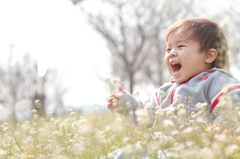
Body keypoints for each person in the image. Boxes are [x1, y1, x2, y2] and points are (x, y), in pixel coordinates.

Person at [105, 18, 240, 158]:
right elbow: (148, 121)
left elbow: (233, 107)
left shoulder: (215, 80)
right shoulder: (165, 92)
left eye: (180, 46)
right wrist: (128, 106)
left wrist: (220, 131)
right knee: (123, 154)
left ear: (209, 55)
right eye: (168, 49)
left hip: (195, 152)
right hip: (160, 150)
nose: (172, 53)